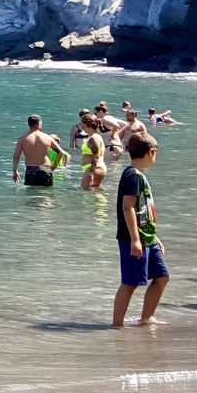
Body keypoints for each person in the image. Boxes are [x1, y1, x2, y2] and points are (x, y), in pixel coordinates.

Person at [113, 134, 169, 328]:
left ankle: (147, 318)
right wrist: (135, 239)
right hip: (133, 238)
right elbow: (127, 207)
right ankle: (117, 325)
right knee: (130, 283)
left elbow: (142, 211)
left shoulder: (138, 175)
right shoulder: (132, 176)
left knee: (162, 277)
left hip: (148, 237)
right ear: (151, 152)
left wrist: (154, 236)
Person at [13, 116, 64, 187]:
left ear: (29, 124)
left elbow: (16, 157)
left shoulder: (22, 139)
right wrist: (54, 165)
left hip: (31, 171)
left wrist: (15, 171)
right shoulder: (48, 138)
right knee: (46, 193)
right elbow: (61, 153)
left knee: (31, 193)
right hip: (45, 170)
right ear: (39, 124)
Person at [77, 111, 109, 190]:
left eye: (83, 123)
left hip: (95, 168)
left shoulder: (94, 138)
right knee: (95, 191)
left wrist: (91, 171)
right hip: (95, 168)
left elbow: (96, 155)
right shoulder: (93, 136)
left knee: (86, 191)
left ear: (88, 124)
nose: (81, 125)